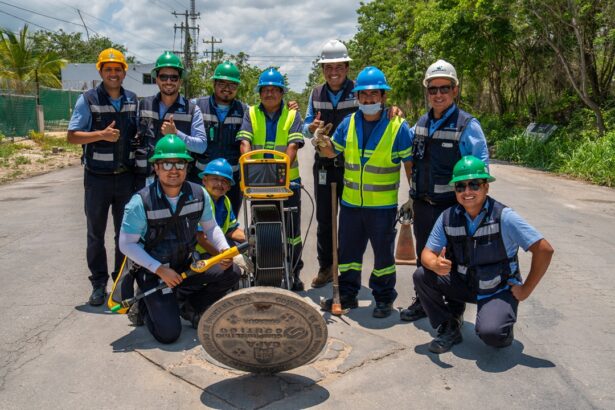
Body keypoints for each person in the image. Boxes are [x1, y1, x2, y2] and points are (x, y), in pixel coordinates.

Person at [413, 156, 554, 353]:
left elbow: (544, 250)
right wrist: (435, 263)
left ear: (486, 187)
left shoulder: (504, 216)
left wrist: (526, 289)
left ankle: (501, 324)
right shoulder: (447, 217)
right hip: (464, 283)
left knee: (493, 335)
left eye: (474, 185)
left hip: (497, 287)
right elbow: (427, 253)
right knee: (422, 275)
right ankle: (449, 325)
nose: (467, 191)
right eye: (460, 186)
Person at [119, 135, 239, 343]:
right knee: (169, 335)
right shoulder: (140, 202)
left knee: (231, 271)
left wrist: (223, 250)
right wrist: (159, 269)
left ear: (186, 166)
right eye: (166, 164)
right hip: (154, 272)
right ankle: (145, 307)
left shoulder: (199, 194)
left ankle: (188, 306)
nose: (173, 170)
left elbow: (211, 228)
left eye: (180, 164)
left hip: (185, 267)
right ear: (156, 167)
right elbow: (126, 244)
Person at [316, 66, 413, 318]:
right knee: (348, 255)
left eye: (374, 95)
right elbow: (331, 152)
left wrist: (413, 194)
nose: (369, 100)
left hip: (381, 207)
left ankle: (383, 298)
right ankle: (347, 294)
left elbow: (409, 164)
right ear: (357, 97)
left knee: (382, 257)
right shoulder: (348, 124)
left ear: (383, 96)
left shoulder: (397, 126)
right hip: (350, 205)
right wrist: (319, 141)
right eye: (364, 95)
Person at [400, 59, 490, 322]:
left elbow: (480, 170)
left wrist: (473, 208)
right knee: (424, 256)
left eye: (444, 88)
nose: (438, 94)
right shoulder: (421, 122)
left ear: (455, 90)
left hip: (452, 207)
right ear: (427, 91)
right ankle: (424, 300)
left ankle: (454, 309)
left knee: (451, 259)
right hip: (423, 204)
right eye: (433, 89)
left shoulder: (467, 125)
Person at [67, 48, 138, 306]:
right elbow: (72, 135)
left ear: (124, 72)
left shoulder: (132, 99)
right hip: (97, 178)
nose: (113, 73)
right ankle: (99, 284)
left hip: (126, 177)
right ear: (100, 71)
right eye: (108, 69)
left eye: (117, 69)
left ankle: (122, 283)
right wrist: (100, 135)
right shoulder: (87, 100)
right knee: (95, 233)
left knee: (125, 234)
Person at [236, 67, 305, 291]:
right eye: (265, 90)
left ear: (282, 92)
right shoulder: (251, 113)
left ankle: (293, 272)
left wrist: (281, 172)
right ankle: (259, 268)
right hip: (258, 183)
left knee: (292, 233)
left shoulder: (293, 115)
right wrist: (247, 162)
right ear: (259, 93)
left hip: (287, 183)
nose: (269, 94)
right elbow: (244, 141)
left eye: (274, 90)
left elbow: (293, 146)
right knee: (260, 229)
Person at [136, 51, 206, 188]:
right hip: (146, 180)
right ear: (156, 79)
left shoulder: (192, 110)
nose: (168, 81)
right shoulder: (144, 105)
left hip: (177, 180)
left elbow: (202, 146)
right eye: (163, 77)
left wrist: (176, 134)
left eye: (174, 78)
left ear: (180, 80)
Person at [191, 62, 248, 216]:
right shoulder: (196, 106)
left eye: (232, 85)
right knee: (197, 222)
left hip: (231, 181)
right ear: (214, 84)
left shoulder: (244, 111)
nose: (227, 88)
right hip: (201, 178)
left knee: (228, 221)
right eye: (222, 83)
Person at [196, 158, 246, 254]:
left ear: (229, 187)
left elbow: (231, 231)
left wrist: (254, 240)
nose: (219, 184)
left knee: (247, 249)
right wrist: (223, 258)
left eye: (224, 181)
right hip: (200, 253)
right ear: (204, 180)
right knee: (234, 268)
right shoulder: (198, 199)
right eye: (215, 179)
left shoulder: (225, 201)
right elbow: (201, 238)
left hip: (218, 247)